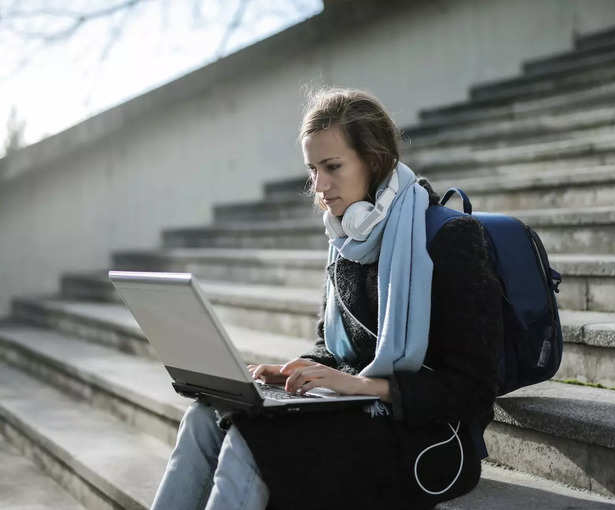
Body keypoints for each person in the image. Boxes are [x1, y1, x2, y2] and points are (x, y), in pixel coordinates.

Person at [150, 87, 504, 510]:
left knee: (255, 440)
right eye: (313, 169)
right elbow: (331, 347)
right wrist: (293, 373)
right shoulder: (345, 238)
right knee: (205, 417)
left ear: (374, 161)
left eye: (332, 166)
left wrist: (360, 386)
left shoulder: (450, 238)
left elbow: (473, 386)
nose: (319, 185)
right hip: (354, 409)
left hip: (427, 437)